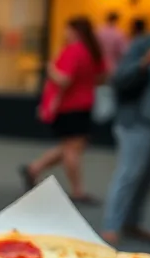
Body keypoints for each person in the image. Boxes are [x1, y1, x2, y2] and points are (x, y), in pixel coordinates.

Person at [22, 16, 105, 203]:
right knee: (72, 147)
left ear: (75, 31)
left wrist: (50, 68)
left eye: (67, 29)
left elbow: (64, 80)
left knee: (70, 149)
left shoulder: (73, 51)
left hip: (69, 106)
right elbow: (102, 75)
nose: (64, 33)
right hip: (84, 104)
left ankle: (72, 188)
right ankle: (35, 169)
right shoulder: (91, 51)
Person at [102, 25, 150, 245]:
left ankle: (132, 223)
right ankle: (111, 226)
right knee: (130, 174)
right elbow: (120, 80)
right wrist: (146, 60)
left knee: (148, 178)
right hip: (136, 123)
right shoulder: (143, 45)